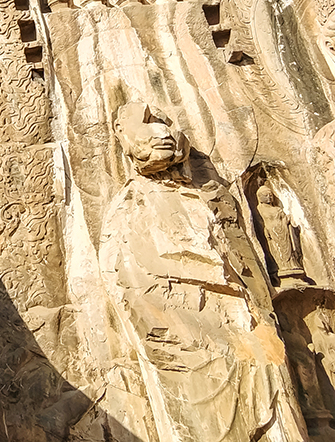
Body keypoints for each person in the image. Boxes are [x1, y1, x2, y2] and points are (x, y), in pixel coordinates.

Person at [99, 102, 307, 442]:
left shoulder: (209, 197)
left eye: (167, 124)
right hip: (190, 339)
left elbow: (245, 269)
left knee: (272, 378)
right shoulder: (130, 206)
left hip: (248, 329)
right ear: (123, 137)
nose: (164, 131)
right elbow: (130, 284)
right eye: (149, 122)